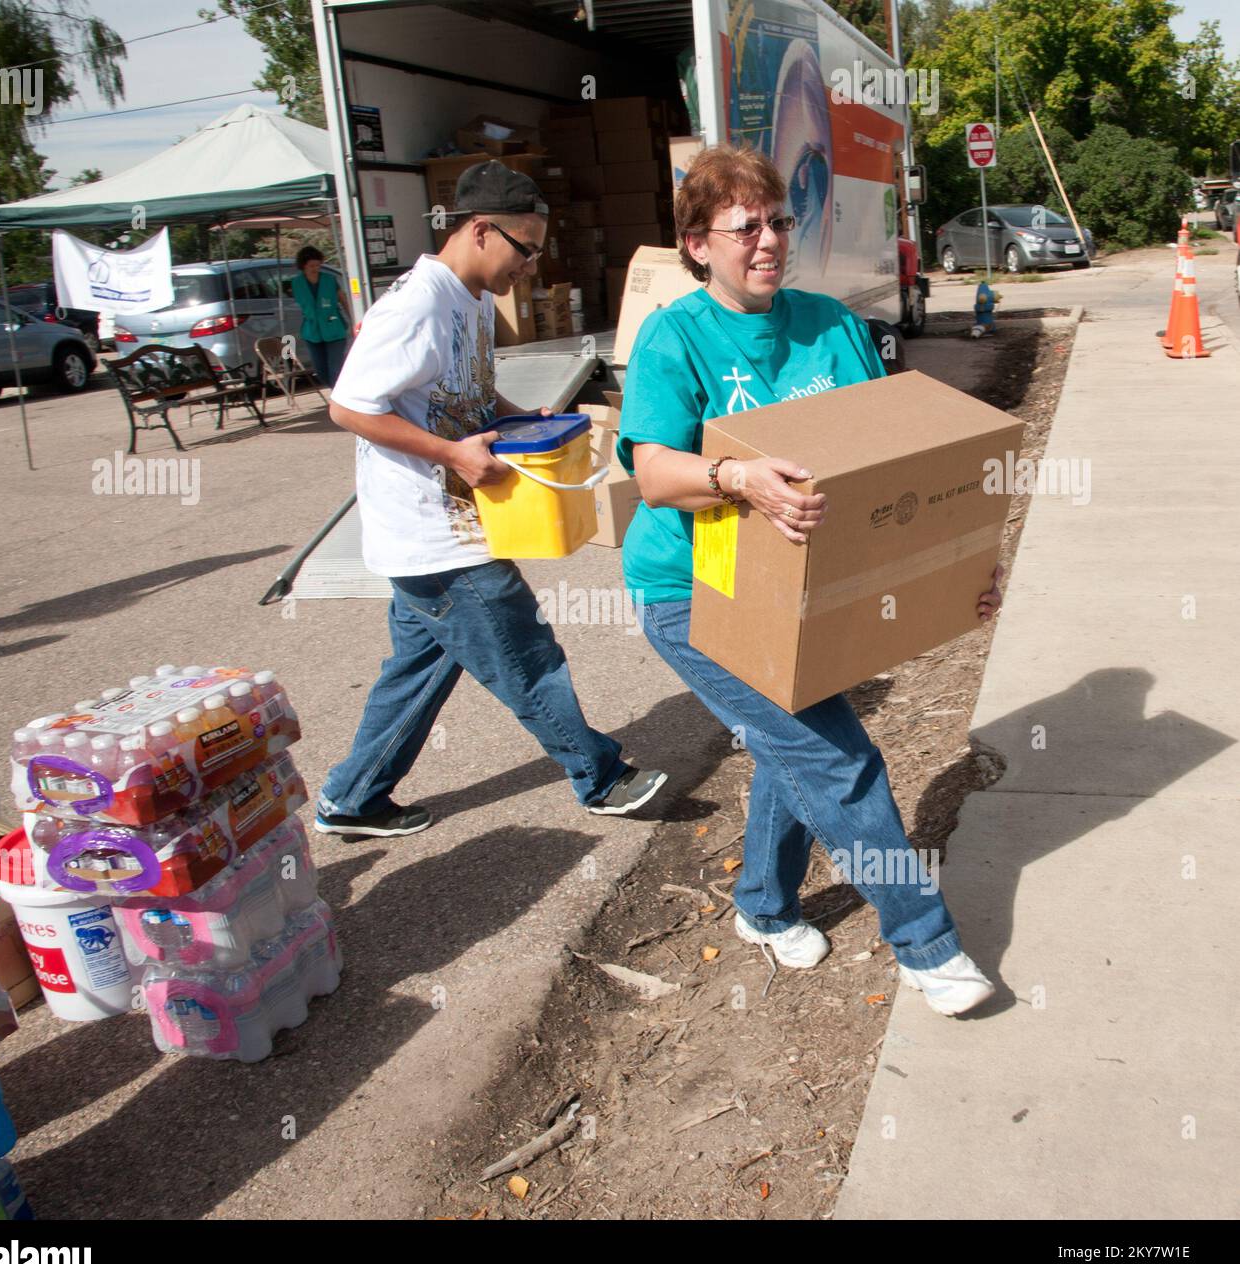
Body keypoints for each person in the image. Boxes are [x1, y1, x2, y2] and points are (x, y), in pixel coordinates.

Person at [617, 143, 1004, 1017]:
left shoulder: (829, 324)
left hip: (801, 590)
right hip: (697, 595)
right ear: (697, 245)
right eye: (743, 226)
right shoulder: (674, 336)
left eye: (779, 221)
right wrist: (736, 477)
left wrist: (967, 566)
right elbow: (651, 473)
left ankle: (759, 904)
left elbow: (894, 460)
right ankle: (926, 943)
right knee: (838, 756)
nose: (767, 241)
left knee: (793, 750)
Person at [314, 160, 667, 838]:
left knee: (420, 670)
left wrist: (510, 417)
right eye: (524, 249)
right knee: (524, 652)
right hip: (433, 531)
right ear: (480, 231)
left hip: (438, 527)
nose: (530, 266)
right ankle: (600, 777)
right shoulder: (417, 304)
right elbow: (349, 407)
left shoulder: (473, 299)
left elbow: (462, 391)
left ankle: (352, 798)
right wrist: (451, 454)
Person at [292, 246, 352, 388]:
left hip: (334, 328)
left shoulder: (329, 280)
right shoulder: (297, 283)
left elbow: (343, 299)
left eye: (318, 265)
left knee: (335, 368)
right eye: (311, 265)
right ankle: (335, 392)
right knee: (320, 370)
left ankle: (337, 397)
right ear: (303, 265)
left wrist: (352, 318)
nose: (315, 269)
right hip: (312, 331)